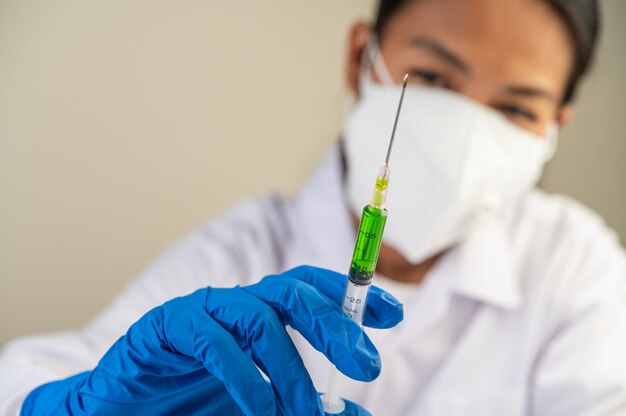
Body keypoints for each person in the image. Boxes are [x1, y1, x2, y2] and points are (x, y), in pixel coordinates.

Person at [2, 0, 625, 414]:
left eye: (516, 108)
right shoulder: (242, 255)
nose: (463, 139)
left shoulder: (573, 269)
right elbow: (20, 384)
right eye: (433, 79)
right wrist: (77, 405)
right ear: (361, 59)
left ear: (554, 126)